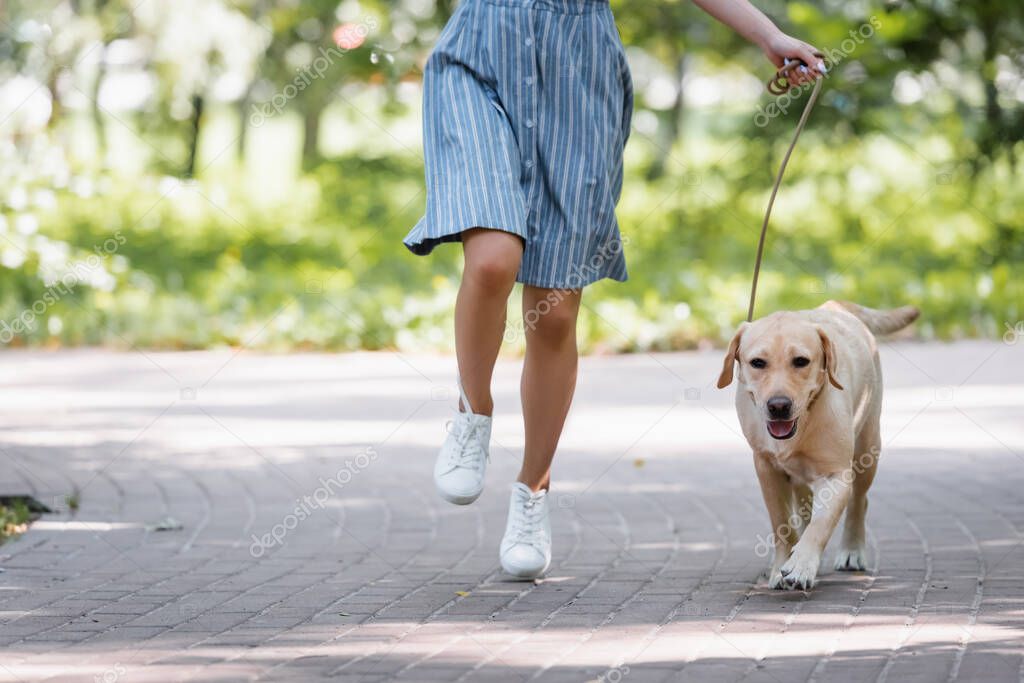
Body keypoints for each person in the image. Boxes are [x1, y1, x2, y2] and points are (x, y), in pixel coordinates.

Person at [403, 0, 825, 579]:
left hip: (578, 78)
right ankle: (472, 414)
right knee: (493, 260)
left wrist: (766, 33)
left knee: (553, 314)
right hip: (480, 56)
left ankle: (533, 490)